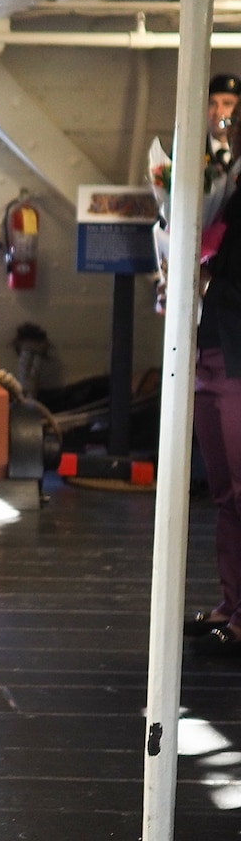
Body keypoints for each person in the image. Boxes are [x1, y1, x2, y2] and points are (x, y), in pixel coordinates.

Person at [188, 73, 241, 650]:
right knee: (224, 492)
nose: (224, 118)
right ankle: (232, 606)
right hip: (216, 343)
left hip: (235, 351)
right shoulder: (220, 174)